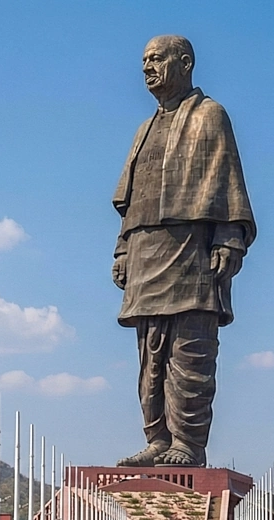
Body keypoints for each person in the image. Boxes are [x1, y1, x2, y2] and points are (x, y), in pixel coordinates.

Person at [112, 35, 257, 469]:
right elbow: (130, 198)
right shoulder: (145, 128)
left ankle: (188, 444)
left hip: (192, 248)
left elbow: (226, 177)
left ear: (185, 62)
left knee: (190, 350)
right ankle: (158, 437)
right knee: (150, 352)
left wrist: (229, 235)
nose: (147, 67)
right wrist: (122, 249)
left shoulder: (210, 115)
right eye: (143, 61)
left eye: (156, 59)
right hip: (145, 249)